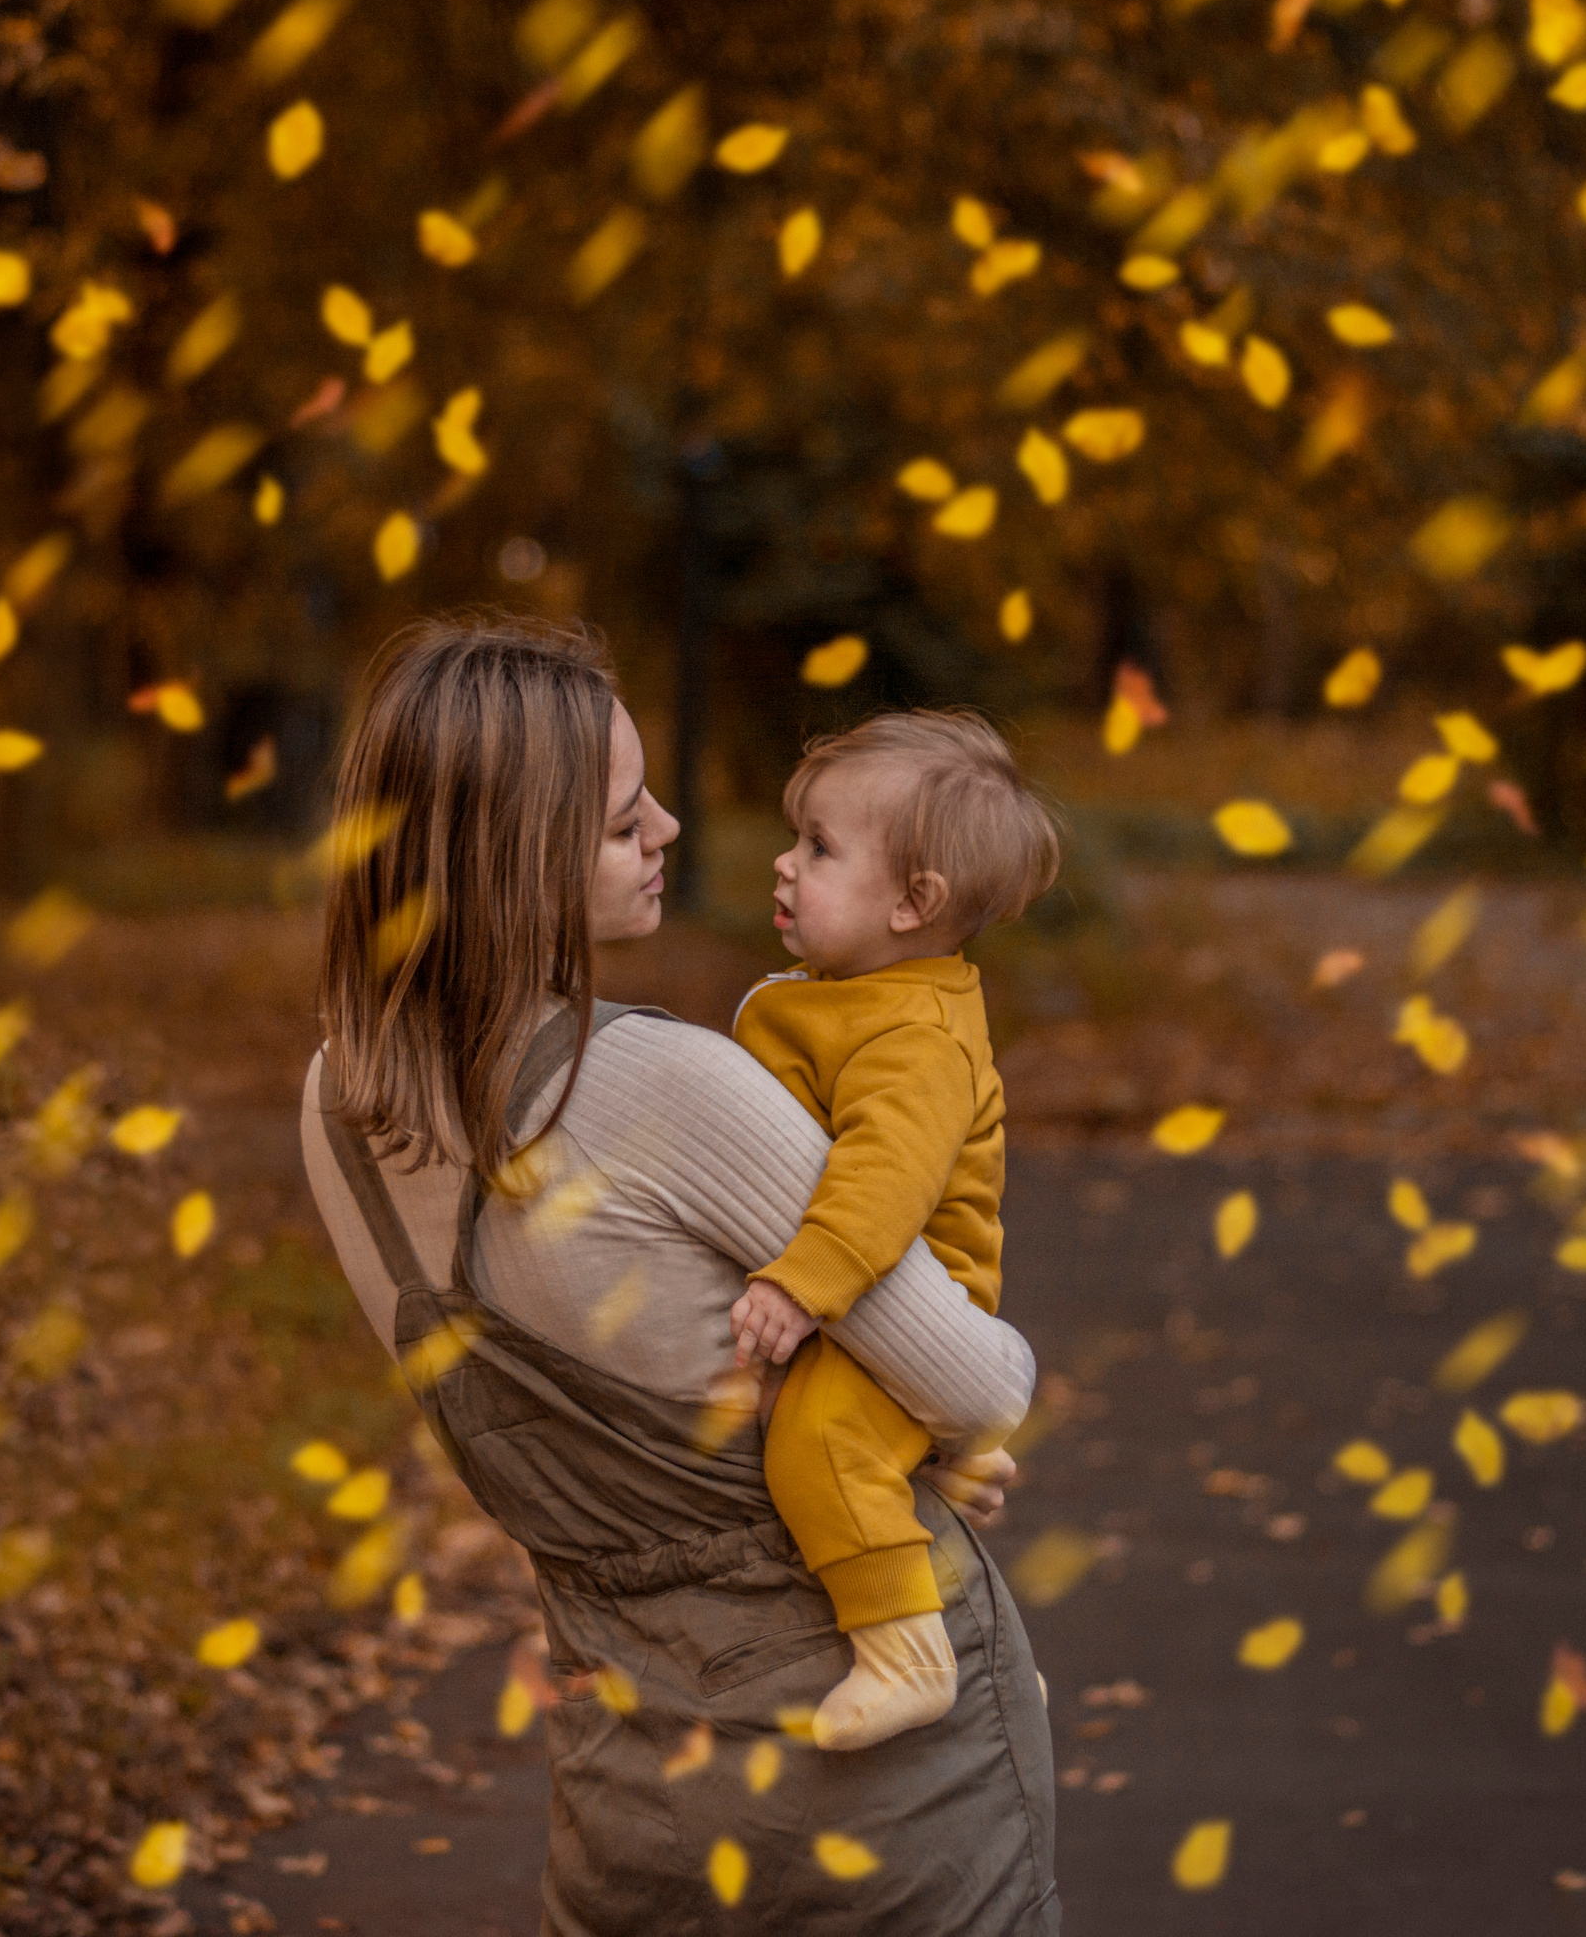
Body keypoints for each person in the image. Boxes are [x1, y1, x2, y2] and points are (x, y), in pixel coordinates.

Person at [299, 616, 1059, 1934]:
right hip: (884, 1795)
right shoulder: (668, 1088)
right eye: (616, 819)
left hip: (631, 1792)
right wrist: (937, 1437)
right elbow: (979, 1383)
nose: (666, 830)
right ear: (510, 864)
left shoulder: (339, 1112)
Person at [725, 711, 1063, 1753]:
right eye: (795, 837)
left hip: (901, 1294)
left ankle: (910, 1650)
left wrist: (799, 1283)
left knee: (822, 1444)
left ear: (913, 903)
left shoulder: (915, 1036)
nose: (784, 864)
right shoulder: (850, 994)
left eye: (819, 847)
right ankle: (993, 1652)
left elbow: (885, 1179)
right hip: (851, 1287)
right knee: (830, 1445)